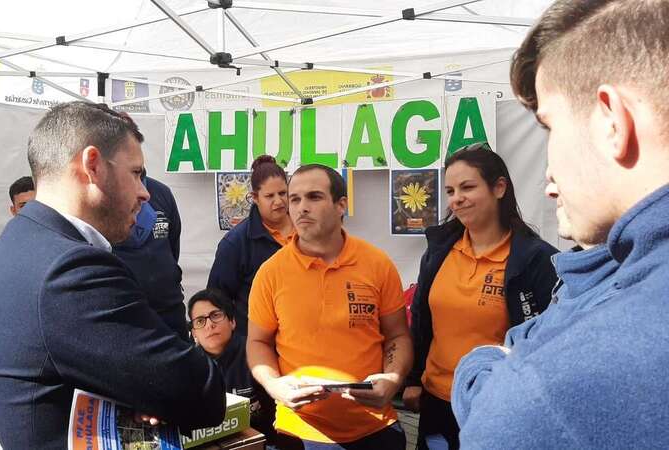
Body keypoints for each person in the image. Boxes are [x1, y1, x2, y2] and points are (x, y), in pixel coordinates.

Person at [451, 1, 669, 448]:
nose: (549, 174)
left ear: (612, 120)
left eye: (549, 127)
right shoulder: (606, 273)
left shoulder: (549, 388)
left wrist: (489, 366)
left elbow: (506, 411)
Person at [0, 102, 225, 449]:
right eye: (136, 173)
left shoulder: (18, 238)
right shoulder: (71, 270)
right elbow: (202, 393)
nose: (145, 192)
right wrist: (150, 392)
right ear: (92, 165)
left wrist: (138, 390)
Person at [401, 143, 558, 449]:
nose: (457, 199)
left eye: (467, 187)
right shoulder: (439, 250)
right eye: (450, 191)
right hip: (436, 402)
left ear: (499, 188)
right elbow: (421, 320)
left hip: (498, 407)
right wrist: (414, 379)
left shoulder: (535, 259)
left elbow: (548, 342)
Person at [247, 164, 413, 450]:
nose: (301, 207)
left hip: (374, 426)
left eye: (314, 197)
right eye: (294, 199)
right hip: (300, 431)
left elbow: (398, 335)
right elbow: (257, 341)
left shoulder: (377, 264)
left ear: (341, 205)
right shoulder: (271, 273)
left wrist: (393, 379)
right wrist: (274, 386)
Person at [113, 113, 186, 339]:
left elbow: (172, 247)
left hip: (169, 311)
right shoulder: (101, 201)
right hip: (125, 317)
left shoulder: (161, 193)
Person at [208, 155, 294, 337]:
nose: (278, 201)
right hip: (255, 341)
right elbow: (216, 299)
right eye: (269, 196)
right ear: (254, 197)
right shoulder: (235, 243)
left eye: (282, 193)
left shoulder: (307, 230)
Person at [187, 288, 277, 444]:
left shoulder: (255, 353)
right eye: (200, 321)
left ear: (232, 321)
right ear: (194, 333)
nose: (209, 325)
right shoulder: (188, 364)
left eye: (215, 315)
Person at [0, 175, 35, 269]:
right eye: (23, 206)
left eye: (35, 204)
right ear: (13, 211)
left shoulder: (59, 242)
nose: (30, 210)